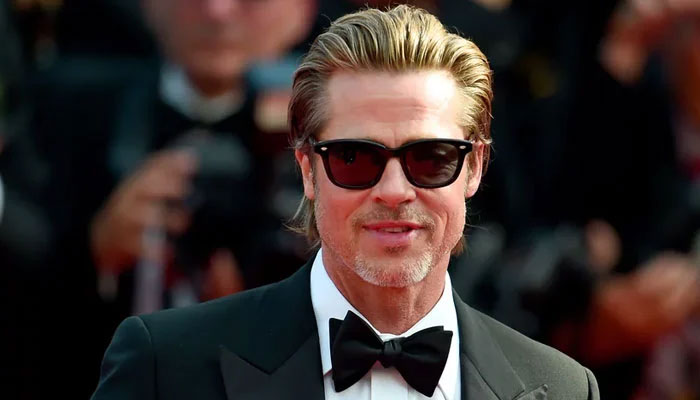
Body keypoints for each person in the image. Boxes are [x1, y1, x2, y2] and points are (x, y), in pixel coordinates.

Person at [91, 5, 599, 399]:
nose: (395, 190)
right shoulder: (167, 367)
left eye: (430, 158)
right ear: (307, 170)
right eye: (354, 158)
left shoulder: (564, 389)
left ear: (474, 168)